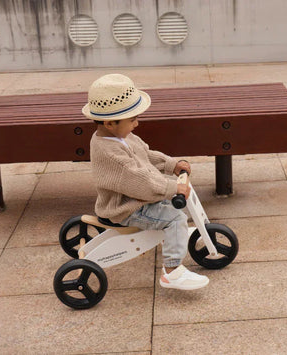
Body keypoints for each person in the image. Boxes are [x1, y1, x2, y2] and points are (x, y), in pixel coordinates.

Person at [82, 73, 209, 290]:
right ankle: (172, 272)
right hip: (128, 208)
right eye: (132, 119)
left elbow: (146, 154)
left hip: (135, 198)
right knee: (175, 217)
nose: (137, 123)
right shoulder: (112, 154)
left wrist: (171, 165)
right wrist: (172, 187)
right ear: (111, 122)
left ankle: (174, 238)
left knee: (172, 208)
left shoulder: (121, 137)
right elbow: (142, 183)